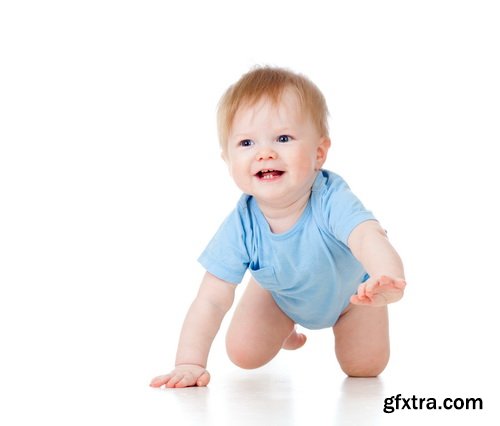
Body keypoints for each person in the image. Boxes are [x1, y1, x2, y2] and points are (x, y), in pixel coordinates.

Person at [150, 66, 406, 389]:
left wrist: (387, 275)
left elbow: (367, 236)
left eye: (283, 138)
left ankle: (359, 313)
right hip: (282, 295)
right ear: (227, 160)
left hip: (352, 297)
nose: (264, 153)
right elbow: (211, 299)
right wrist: (188, 362)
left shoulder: (330, 198)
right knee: (243, 353)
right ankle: (276, 305)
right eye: (246, 143)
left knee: (365, 367)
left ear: (319, 153)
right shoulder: (242, 223)